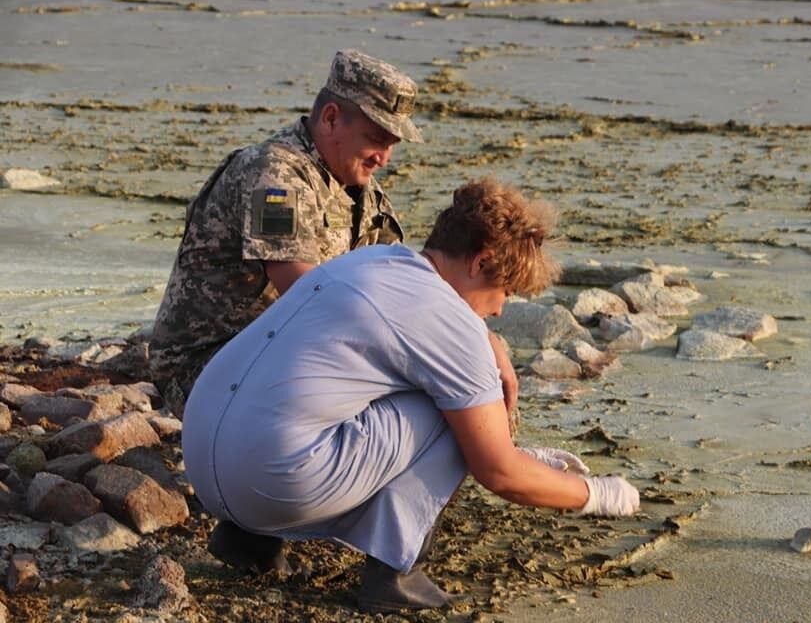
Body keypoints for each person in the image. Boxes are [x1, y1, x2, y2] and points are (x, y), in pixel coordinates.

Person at [182, 177, 640, 613]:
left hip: (203, 460)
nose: (500, 309)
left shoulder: (371, 260)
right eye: (505, 291)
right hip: (272, 482)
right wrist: (597, 494)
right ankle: (395, 575)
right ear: (479, 263)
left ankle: (249, 541)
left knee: (330, 392)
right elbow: (499, 472)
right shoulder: (450, 323)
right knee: (459, 411)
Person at [150, 49, 415, 417]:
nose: (383, 158)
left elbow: (403, 286)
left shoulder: (364, 191)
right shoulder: (272, 174)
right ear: (331, 118)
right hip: (210, 366)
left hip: (282, 352)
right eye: (376, 139)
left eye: (392, 146)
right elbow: (306, 292)